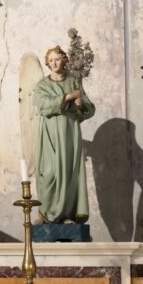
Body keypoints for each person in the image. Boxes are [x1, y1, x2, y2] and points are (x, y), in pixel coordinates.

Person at [30, 45, 94, 226]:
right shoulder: (43, 84)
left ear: (64, 59)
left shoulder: (73, 81)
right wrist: (66, 97)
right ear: (47, 63)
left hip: (69, 133)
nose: (54, 63)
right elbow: (42, 105)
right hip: (50, 134)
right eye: (50, 60)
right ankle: (47, 213)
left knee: (68, 172)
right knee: (49, 172)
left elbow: (89, 110)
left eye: (57, 59)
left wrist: (81, 104)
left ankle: (67, 213)